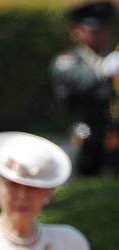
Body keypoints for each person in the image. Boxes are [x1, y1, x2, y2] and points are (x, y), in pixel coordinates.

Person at [50, 1, 119, 176]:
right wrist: (104, 71)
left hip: (111, 138)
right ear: (76, 32)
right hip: (83, 137)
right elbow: (83, 82)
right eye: (93, 30)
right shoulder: (66, 61)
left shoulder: (109, 58)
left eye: (104, 29)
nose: (100, 35)